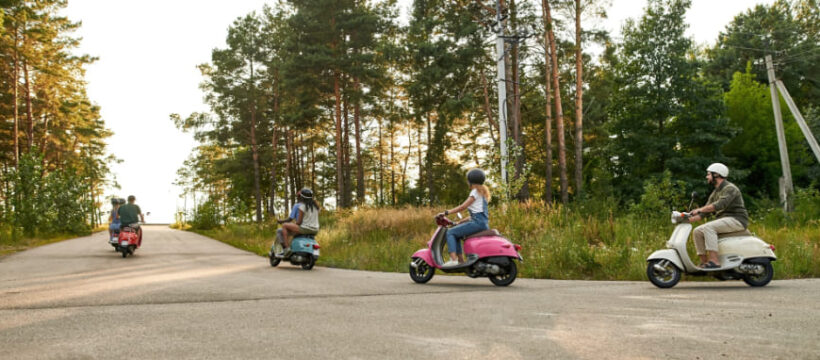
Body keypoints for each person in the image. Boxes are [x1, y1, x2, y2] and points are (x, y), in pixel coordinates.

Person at [688, 163, 749, 269]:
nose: (706, 177)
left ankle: (714, 261)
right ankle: (704, 262)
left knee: (708, 227)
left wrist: (699, 209)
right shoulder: (716, 192)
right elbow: (704, 213)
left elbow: (719, 205)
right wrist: (687, 219)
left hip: (737, 219)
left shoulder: (730, 188)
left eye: (708, 174)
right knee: (697, 231)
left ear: (716, 175)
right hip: (725, 220)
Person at [437, 168, 492, 266]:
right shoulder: (482, 193)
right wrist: (459, 222)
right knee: (457, 234)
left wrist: (446, 212)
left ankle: (453, 260)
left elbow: (463, 206)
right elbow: (475, 216)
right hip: (481, 223)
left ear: (470, 181)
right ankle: (461, 261)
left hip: (477, 223)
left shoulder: (475, 192)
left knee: (450, 232)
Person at [280, 188, 320, 253]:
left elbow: (299, 222)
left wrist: (294, 224)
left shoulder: (302, 206)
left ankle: (286, 249)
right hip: (315, 230)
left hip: (305, 229)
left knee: (284, 225)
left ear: (302, 197)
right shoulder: (316, 207)